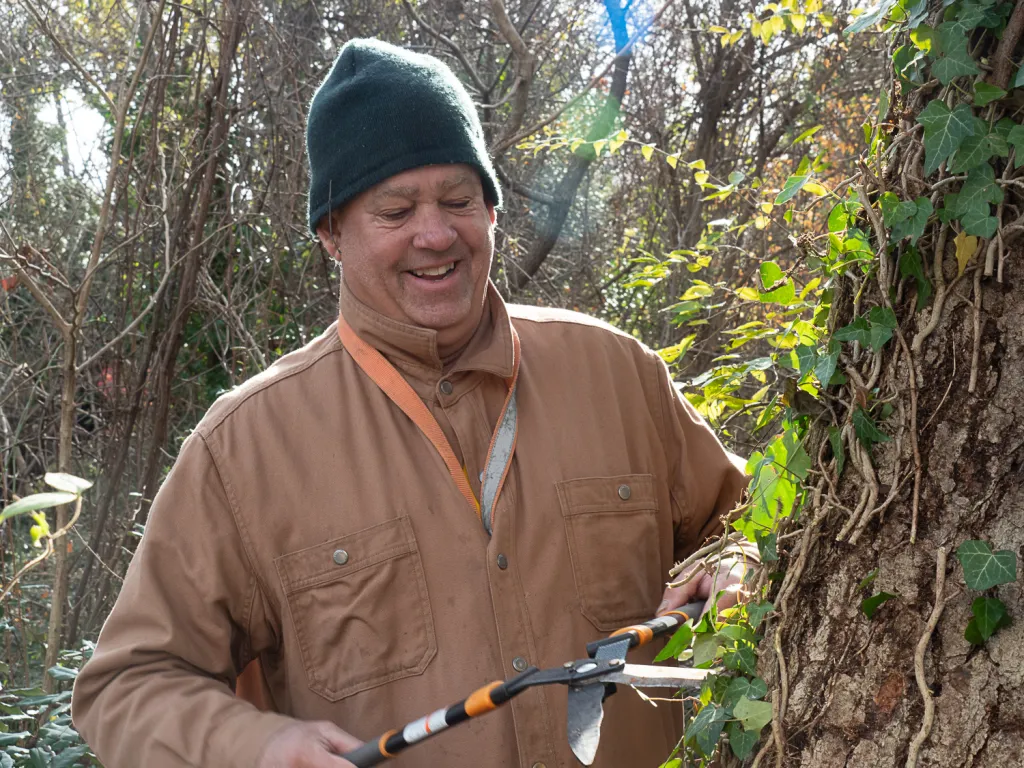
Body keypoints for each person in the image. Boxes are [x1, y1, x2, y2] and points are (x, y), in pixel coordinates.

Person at [72, 38, 750, 768]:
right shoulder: (242, 451)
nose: (435, 234)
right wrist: (257, 745)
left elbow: (752, 523)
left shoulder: (617, 375)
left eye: (458, 200)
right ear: (330, 232)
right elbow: (126, 687)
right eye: (395, 210)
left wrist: (739, 561)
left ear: (491, 210)